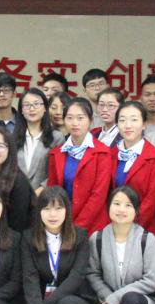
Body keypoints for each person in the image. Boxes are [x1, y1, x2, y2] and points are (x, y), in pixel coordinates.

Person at [20, 186, 96, 304]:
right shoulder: (28, 237)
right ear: (39, 212)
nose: (52, 214)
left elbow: (77, 276)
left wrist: (50, 303)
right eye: (46, 208)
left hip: (74, 299)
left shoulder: (80, 236)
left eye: (58, 208)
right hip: (42, 298)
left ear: (67, 210)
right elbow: (30, 277)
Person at [47, 97, 113, 234]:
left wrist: (78, 227)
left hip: (94, 226)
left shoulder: (103, 152)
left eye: (80, 118)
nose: (74, 123)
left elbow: (99, 195)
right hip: (62, 224)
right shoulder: (56, 153)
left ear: (90, 121)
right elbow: (52, 192)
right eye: (70, 118)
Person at [108, 100, 155, 233]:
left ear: (144, 124)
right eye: (122, 120)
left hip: (141, 228)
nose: (128, 125)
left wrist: (130, 226)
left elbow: (152, 200)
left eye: (134, 120)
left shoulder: (154, 157)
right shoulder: (110, 155)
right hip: (111, 226)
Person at [16, 87, 58, 195]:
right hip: (16, 197)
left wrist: (39, 191)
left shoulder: (56, 137)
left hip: (44, 197)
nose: (32, 108)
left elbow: (57, 172)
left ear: (45, 108)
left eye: (36, 104)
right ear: (21, 110)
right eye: (27, 105)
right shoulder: (12, 137)